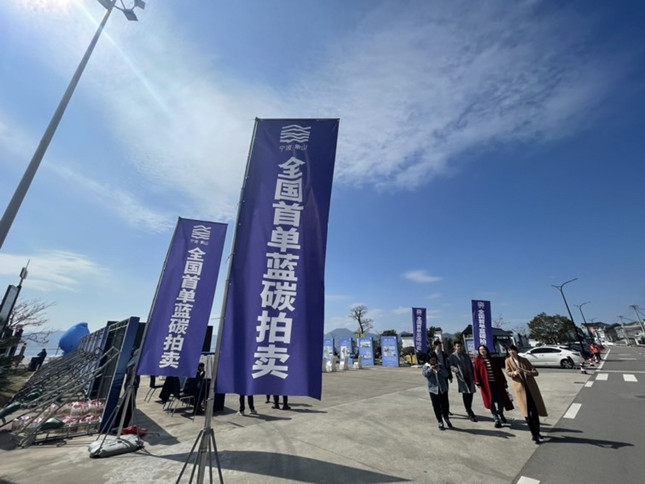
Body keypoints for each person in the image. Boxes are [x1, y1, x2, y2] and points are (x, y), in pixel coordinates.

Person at [505, 344, 548, 443]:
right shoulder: (508, 361)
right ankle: (533, 434)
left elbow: (535, 372)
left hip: (531, 389)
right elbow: (508, 372)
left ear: (516, 351)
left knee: (535, 412)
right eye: (509, 350)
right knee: (527, 413)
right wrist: (515, 373)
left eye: (513, 350)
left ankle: (537, 432)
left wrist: (528, 372)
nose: (511, 352)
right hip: (521, 390)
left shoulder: (524, 360)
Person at [473, 345, 513, 428]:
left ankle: (500, 413)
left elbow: (499, 371)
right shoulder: (478, 361)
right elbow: (476, 372)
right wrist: (477, 382)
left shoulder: (492, 360)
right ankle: (496, 419)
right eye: (480, 350)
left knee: (501, 400)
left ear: (487, 350)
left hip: (497, 383)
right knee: (490, 402)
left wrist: (504, 382)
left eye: (484, 349)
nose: (482, 351)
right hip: (486, 385)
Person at [447, 341, 478, 421]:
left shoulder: (466, 355)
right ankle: (469, 411)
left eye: (461, 346)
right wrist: (456, 369)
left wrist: (474, 376)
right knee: (465, 394)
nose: (459, 347)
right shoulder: (452, 356)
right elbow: (450, 365)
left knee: (471, 393)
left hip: (469, 376)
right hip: (462, 378)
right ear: (455, 347)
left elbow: (471, 365)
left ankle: (469, 409)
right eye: (458, 346)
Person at [422, 351, 453, 430]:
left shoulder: (440, 365)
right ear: (429, 360)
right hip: (433, 390)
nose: (433, 361)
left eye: (434, 359)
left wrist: (440, 370)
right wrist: (431, 369)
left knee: (445, 405)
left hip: (443, 388)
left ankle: (446, 418)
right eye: (431, 360)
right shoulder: (426, 366)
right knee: (436, 406)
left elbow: (446, 374)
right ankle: (440, 421)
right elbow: (425, 374)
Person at [433, 340, 453, 415]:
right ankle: (441, 410)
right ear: (435, 346)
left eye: (441, 346)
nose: (441, 347)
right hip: (437, 377)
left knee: (445, 394)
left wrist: (450, 376)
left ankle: (446, 410)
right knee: (439, 394)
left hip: (445, 376)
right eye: (439, 346)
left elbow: (448, 366)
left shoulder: (444, 354)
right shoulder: (432, 354)